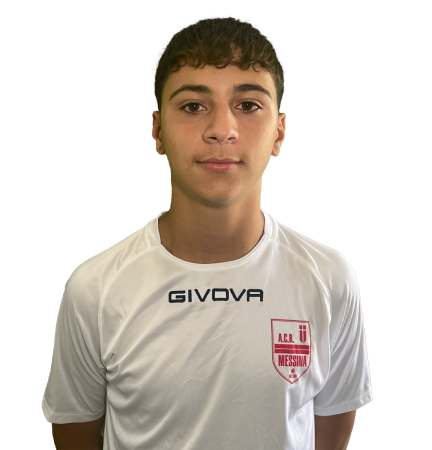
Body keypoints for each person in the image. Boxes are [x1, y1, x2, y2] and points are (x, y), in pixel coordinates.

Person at [42, 14, 372, 449]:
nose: (221, 130)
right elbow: (76, 436)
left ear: (279, 132)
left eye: (248, 105)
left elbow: (330, 435)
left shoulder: (330, 278)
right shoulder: (94, 288)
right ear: (157, 130)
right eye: (193, 106)